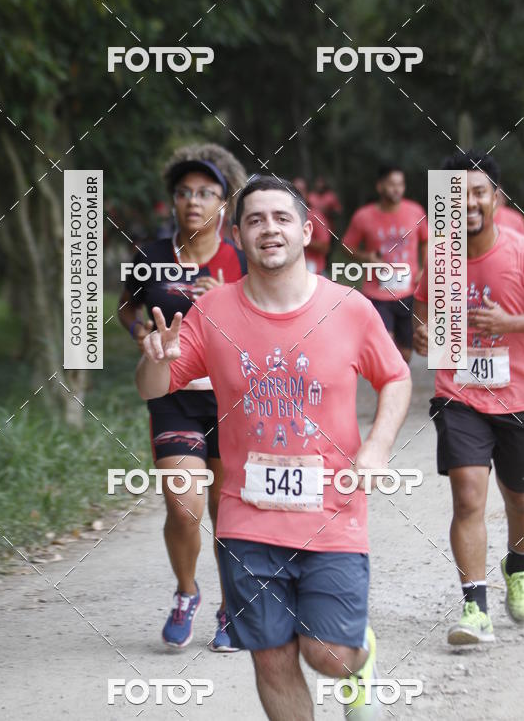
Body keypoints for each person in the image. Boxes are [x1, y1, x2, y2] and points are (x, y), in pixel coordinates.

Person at [137, 175, 412, 720]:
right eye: (255, 219)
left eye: (282, 218)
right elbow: (153, 388)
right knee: (272, 660)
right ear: (237, 234)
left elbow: (397, 378)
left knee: (326, 654)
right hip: (246, 517)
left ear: (306, 231)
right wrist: (157, 358)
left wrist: (377, 447)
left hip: (332, 514)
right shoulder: (211, 311)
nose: (270, 229)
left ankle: (361, 660)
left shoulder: (349, 308)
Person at [413, 149, 524, 646]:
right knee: (468, 495)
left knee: (519, 497)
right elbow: (423, 309)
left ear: (496, 198)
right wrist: (422, 333)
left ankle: (516, 566)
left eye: (479, 191)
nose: (468, 201)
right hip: (460, 394)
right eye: (457, 193)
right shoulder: (440, 254)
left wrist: (510, 324)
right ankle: (474, 607)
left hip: (521, 396)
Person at [119, 143, 247, 651]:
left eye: (205, 192)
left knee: (227, 509)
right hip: (173, 395)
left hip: (233, 399)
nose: (193, 201)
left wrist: (227, 303)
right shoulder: (150, 255)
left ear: (224, 202)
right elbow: (128, 305)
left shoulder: (240, 260)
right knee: (184, 506)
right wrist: (142, 337)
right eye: (184, 192)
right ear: (173, 201)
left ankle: (231, 608)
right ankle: (187, 591)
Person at [342, 165, 427, 363]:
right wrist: (365, 257)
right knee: (385, 347)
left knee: (405, 353)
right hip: (377, 293)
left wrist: (424, 268)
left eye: (400, 184)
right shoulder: (364, 216)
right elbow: (346, 247)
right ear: (380, 187)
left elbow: (427, 240)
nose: (397, 189)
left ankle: (395, 382)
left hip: (408, 292)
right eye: (391, 184)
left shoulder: (415, 211)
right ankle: (388, 386)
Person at [293, 177, 332, 274]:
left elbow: (325, 247)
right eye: (292, 190)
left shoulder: (315, 216)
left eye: (300, 190)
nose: (295, 195)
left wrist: (300, 239)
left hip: (315, 272)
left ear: (307, 194)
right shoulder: (282, 216)